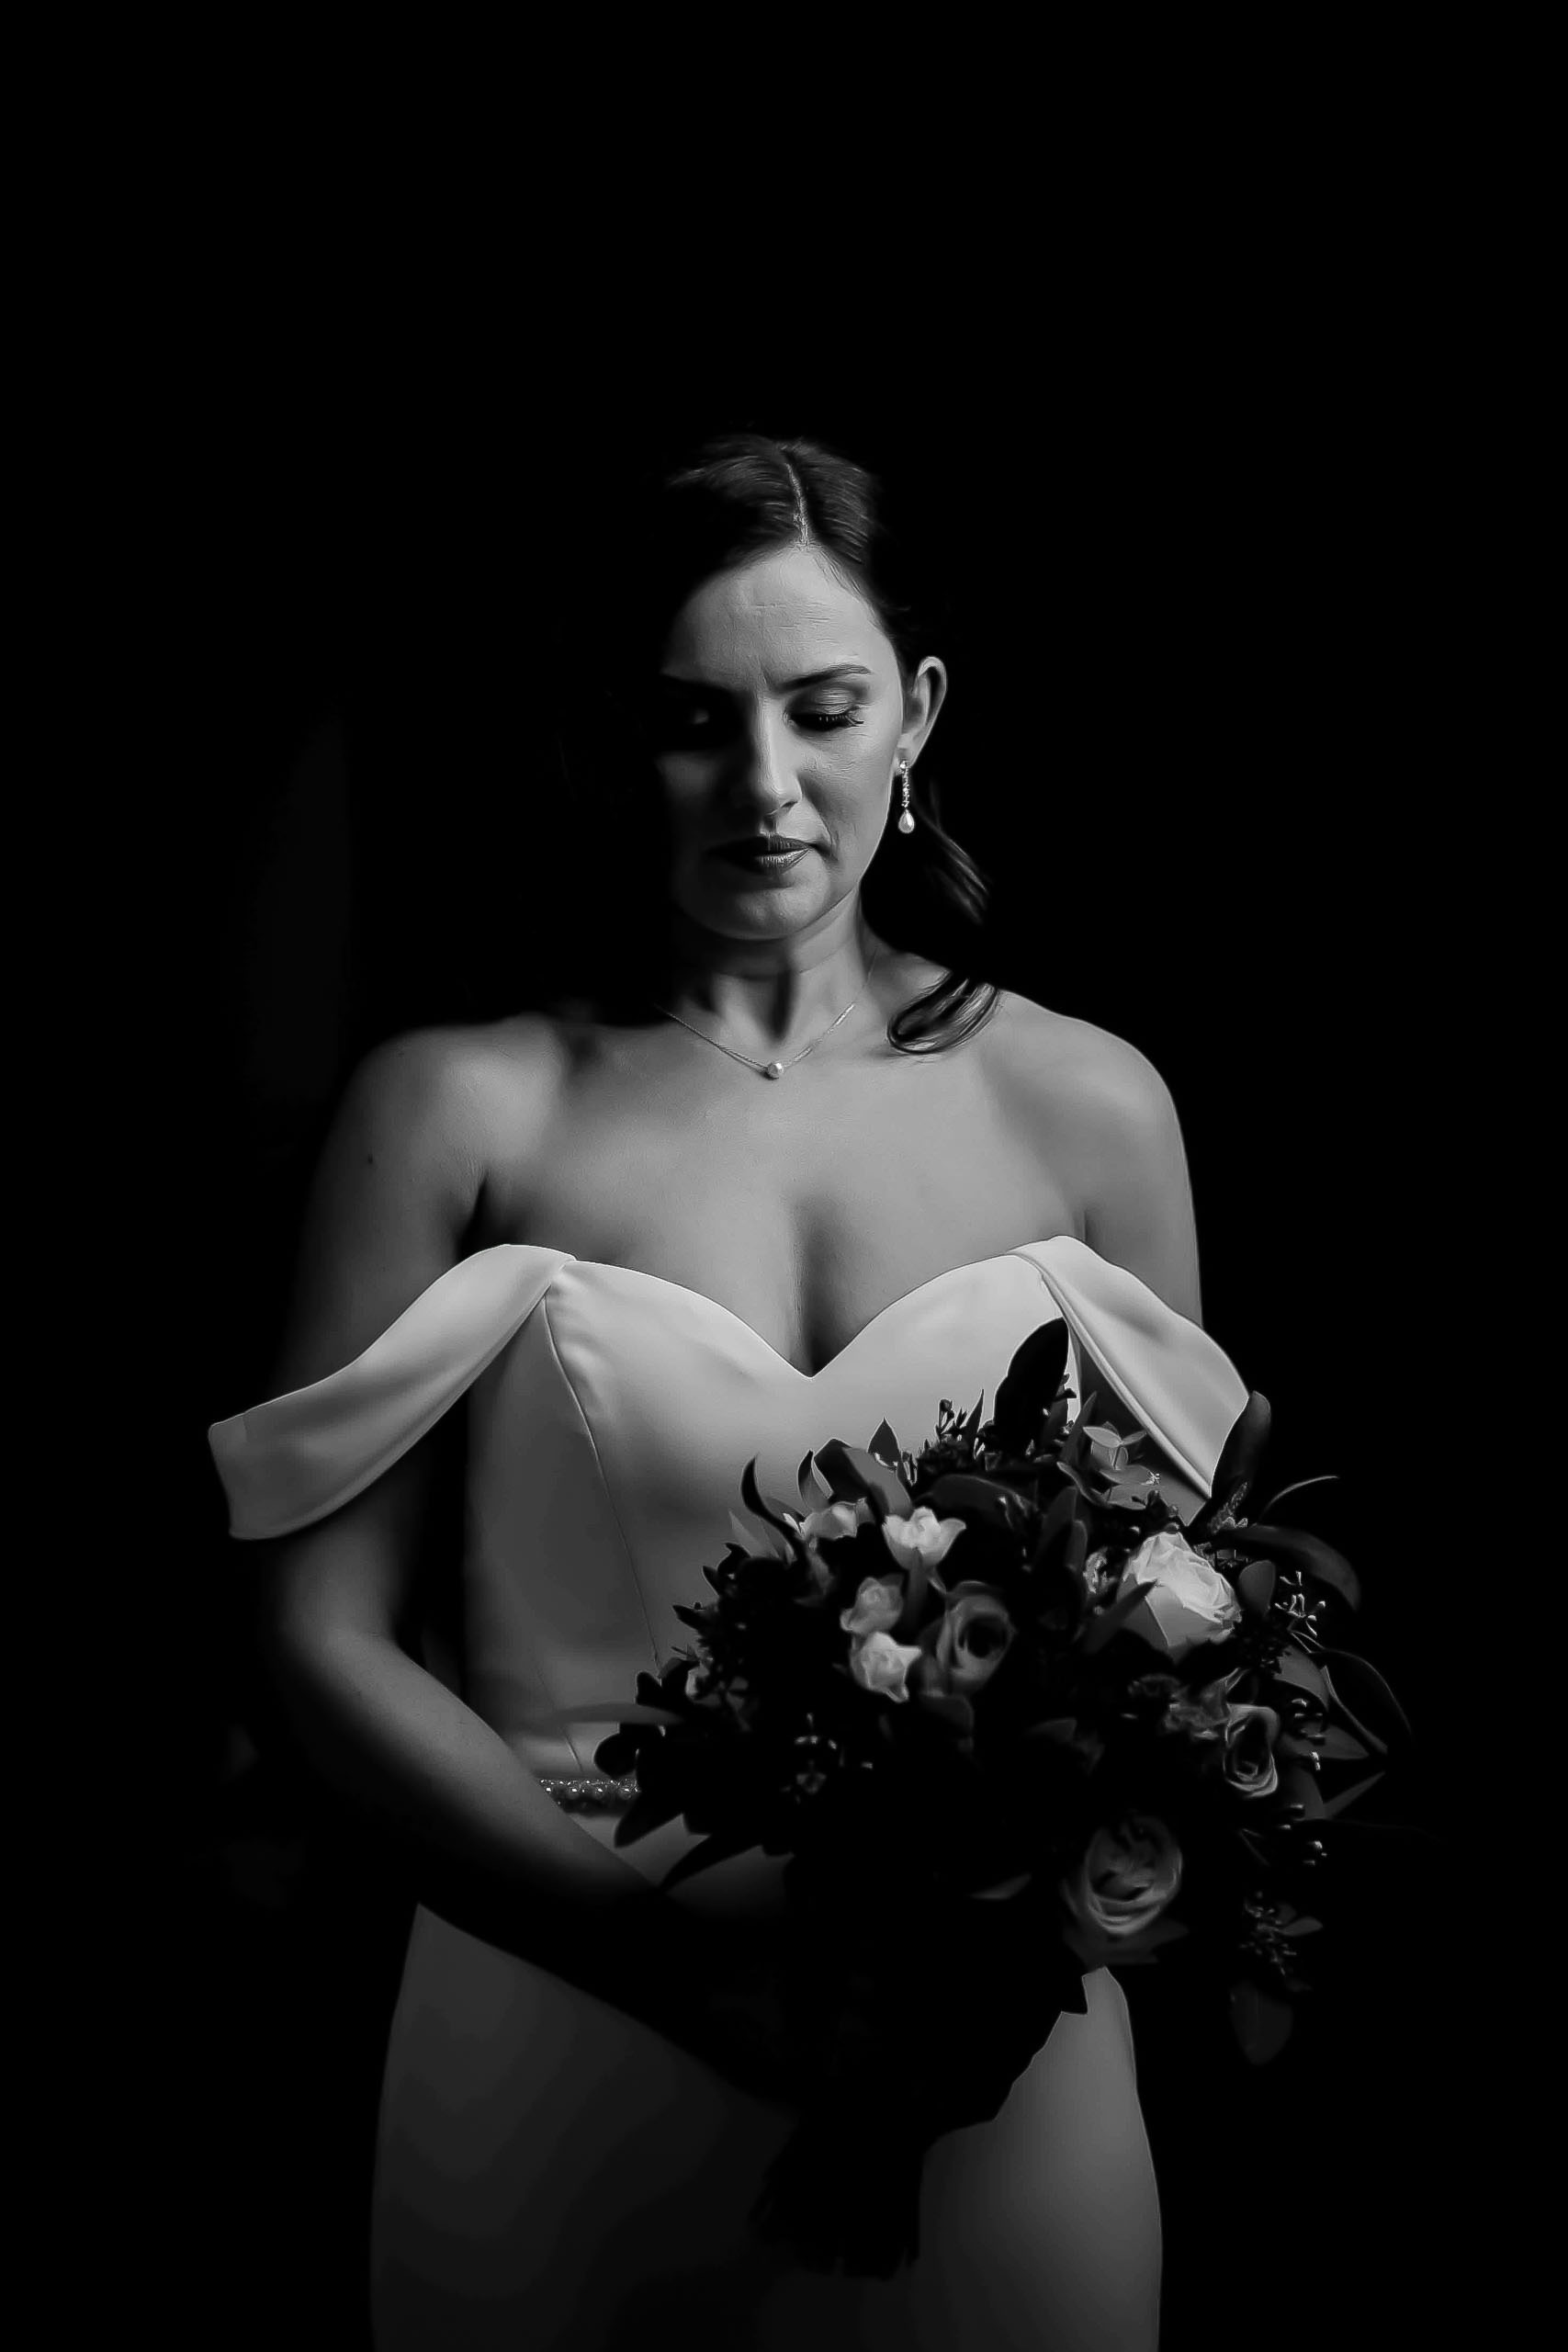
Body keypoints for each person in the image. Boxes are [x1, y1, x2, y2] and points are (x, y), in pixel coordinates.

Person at [209, 432, 1249, 2349]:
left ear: (914, 715)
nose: (765, 787)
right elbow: (314, 1639)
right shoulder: (459, 1110)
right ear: (619, 738)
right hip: (555, 2035)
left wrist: (955, 1977)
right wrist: (678, 1962)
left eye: (822, 708)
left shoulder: (1092, 1105)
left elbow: (1179, 1638)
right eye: (697, 721)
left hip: (971, 2068)